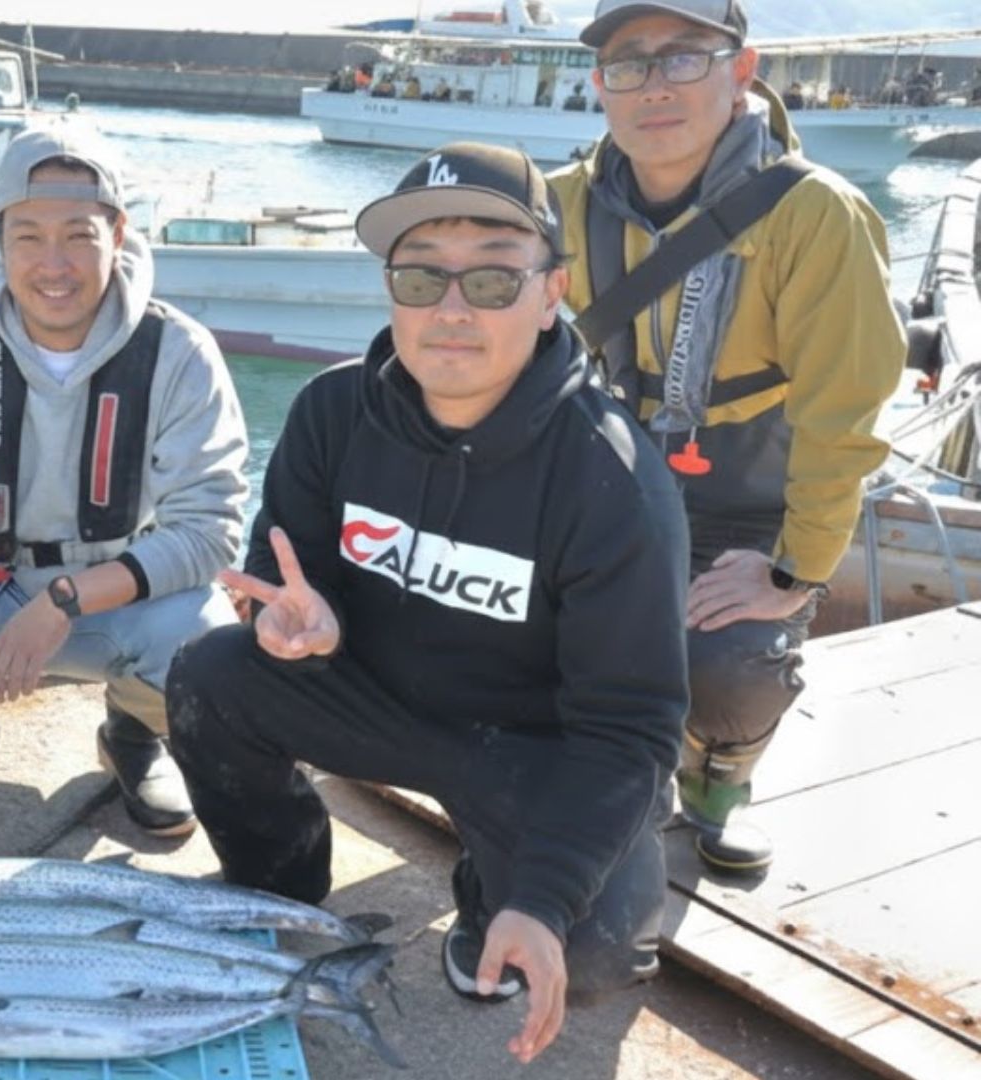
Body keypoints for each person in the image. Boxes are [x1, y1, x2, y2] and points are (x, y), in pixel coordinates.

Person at [167, 142, 691, 1067]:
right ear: (391, 291)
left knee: (595, 942)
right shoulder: (331, 411)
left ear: (551, 292)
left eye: (491, 280)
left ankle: (494, 887)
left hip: (531, 744)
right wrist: (299, 621)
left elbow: (631, 726)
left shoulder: (612, 481)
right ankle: (278, 882)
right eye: (420, 278)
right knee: (212, 672)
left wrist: (542, 898)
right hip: (375, 697)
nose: (451, 309)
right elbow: (279, 569)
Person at [551, 0, 905, 872]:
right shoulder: (557, 204)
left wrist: (794, 569)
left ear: (742, 70)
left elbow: (843, 415)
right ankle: (598, 774)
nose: (654, 85)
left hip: (751, 498)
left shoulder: (816, 215)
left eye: (684, 57)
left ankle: (719, 779)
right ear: (600, 85)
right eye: (628, 63)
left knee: (731, 660)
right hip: (616, 475)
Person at [0, 119, 247, 837]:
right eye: (28, 235)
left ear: (117, 235)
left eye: (78, 235)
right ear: (0, 240)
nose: (53, 264)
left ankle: (132, 736)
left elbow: (210, 533)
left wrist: (65, 598)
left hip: (116, 594)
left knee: (208, 643)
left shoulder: (180, 352)